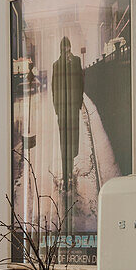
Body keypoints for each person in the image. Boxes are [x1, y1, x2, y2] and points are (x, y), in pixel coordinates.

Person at [51, 35, 84, 201]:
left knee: (73, 141)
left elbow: (81, 81)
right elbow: (54, 88)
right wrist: (57, 108)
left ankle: (70, 169)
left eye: (68, 47)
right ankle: (66, 174)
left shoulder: (76, 61)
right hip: (63, 111)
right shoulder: (56, 66)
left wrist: (79, 102)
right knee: (64, 141)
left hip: (73, 109)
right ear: (60, 49)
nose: (66, 51)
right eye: (64, 48)